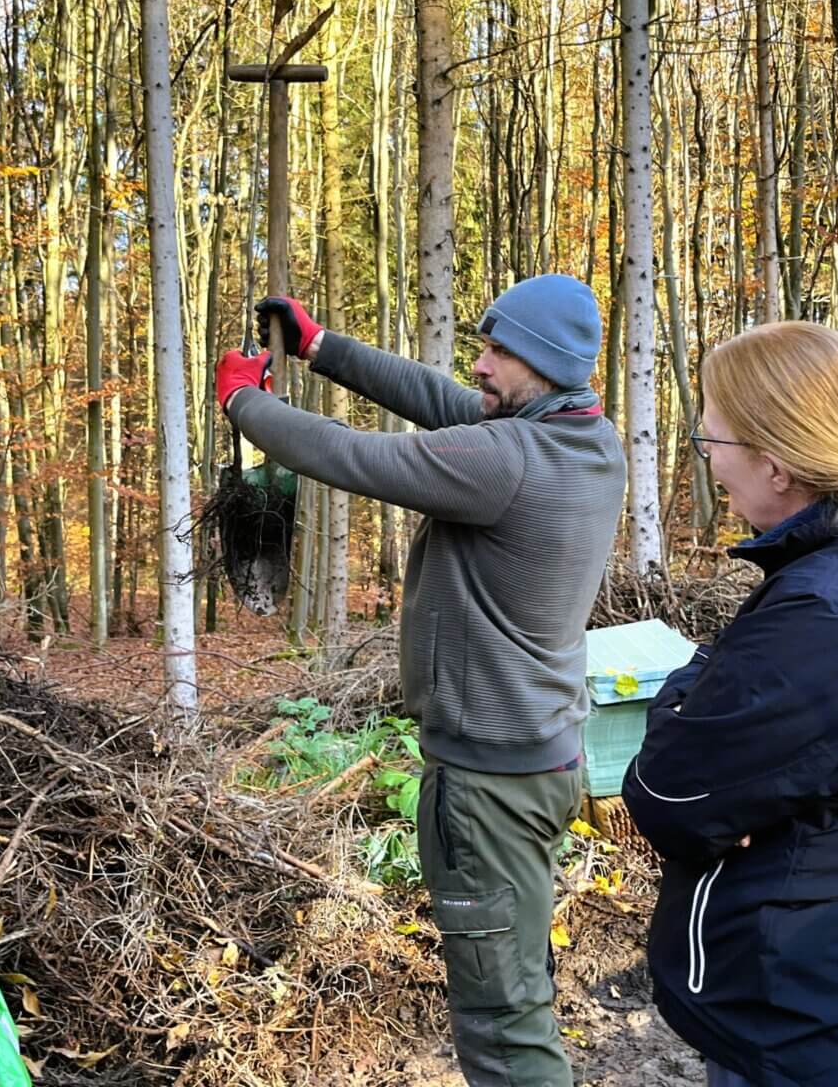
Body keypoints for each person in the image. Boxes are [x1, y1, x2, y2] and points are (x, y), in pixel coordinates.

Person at [216, 274, 626, 1087]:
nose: (479, 363)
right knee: (517, 987)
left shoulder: (508, 459)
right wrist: (322, 346)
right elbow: (437, 398)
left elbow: (357, 456)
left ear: (540, 363)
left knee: (502, 1029)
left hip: (487, 789)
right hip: (537, 765)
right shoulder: (581, 437)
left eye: (498, 351)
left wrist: (243, 406)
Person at [622, 321, 838, 1087]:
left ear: (776, 465)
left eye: (712, 444)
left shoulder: (824, 617)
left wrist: (692, 679)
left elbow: (665, 795)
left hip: (812, 1026)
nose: (709, 465)